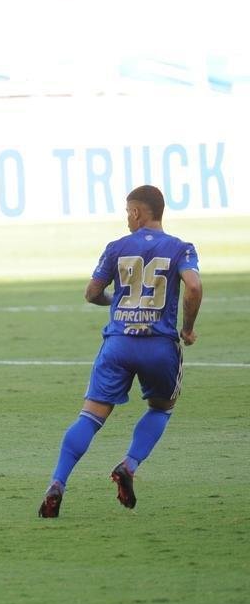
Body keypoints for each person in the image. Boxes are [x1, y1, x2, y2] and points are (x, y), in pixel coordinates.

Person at [38, 185, 202, 518]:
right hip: (159, 347)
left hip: (118, 345)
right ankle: (129, 464)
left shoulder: (116, 247)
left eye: (128, 212)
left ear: (139, 212)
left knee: (90, 417)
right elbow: (194, 286)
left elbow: (92, 293)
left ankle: (58, 482)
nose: (127, 218)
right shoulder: (181, 249)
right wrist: (187, 328)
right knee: (161, 409)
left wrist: (119, 301)